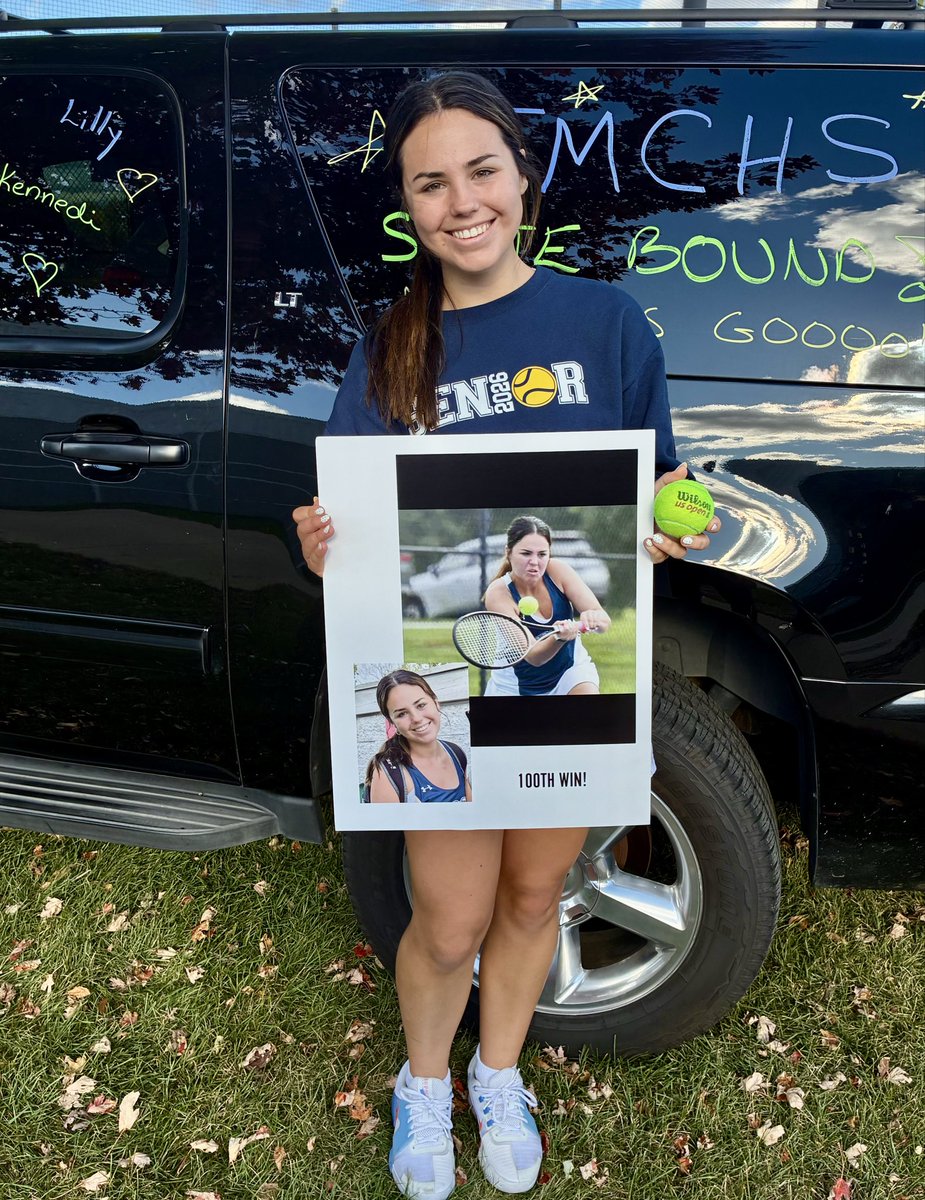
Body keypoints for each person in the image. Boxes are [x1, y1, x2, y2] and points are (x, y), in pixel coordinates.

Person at [292, 71, 720, 1199]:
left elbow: (650, 490)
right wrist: (327, 548)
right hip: (458, 704)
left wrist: (665, 525)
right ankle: (423, 1085)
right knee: (449, 923)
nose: (461, 202)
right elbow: (360, 534)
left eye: (481, 170)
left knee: (535, 898)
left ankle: (497, 1074)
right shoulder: (390, 346)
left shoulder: (606, 323)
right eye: (430, 183)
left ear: (522, 177)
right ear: (408, 205)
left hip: (567, 709)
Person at [483, 514, 610, 698]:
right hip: (515, 687)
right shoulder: (498, 592)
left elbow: (604, 621)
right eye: (526, 553)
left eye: (542, 554)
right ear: (508, 552)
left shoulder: (559, 570)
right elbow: (534, 656)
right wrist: (559, 638)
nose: (535, 562)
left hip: (570, 671)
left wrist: (595, 618)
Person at [365, 669, 472, 804]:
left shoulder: (457, 754)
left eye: (421, 705)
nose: (416, 718)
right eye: (402, 714)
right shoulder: (388, 774)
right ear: (392, 723)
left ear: (436, 702)